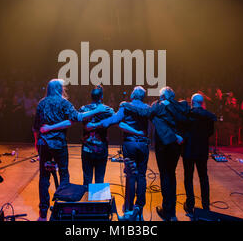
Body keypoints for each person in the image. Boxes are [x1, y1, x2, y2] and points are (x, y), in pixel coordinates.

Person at [32, 79, 108, 221]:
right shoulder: (63, 103)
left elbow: (36, 127)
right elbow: (76, 118)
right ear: (60, 89)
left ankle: (43, 214)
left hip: (44, 143)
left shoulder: (42, 103)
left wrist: (38, 141)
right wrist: (97, 110)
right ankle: (63, 210)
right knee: (64, 175)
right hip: (59, 144)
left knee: (44, 178)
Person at [120, 86, 186, 221]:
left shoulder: (158, 106)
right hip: (177, 145)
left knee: (165, 176)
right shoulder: (181, 106)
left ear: (162, 97)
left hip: (164, 146)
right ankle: (170, 212)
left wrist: (126, 104)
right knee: (171, 176)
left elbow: (144, 113)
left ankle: (167, 211)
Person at [87, 86, 150, 221]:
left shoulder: (126, 106)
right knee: (142, 176)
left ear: (133, 95)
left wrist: (97, 124)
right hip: (143, 145)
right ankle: (140, 210)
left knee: (131, 176)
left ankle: (129, 210)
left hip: (130, 144)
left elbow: (114, 120)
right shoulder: (147, 108)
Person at [174, 93, 217, 216]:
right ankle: (205, 205)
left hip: (188, 150)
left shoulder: (186, 115)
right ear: (202, 103)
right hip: (202, 150)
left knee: (188, 177)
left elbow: (181, 131)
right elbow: (210, 132)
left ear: (191, 102)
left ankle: (190, 204)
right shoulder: (208, 117)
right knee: (204, 177)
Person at [77, 86, 115, 186]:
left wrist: (92, 125)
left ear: (91, 97)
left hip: (87, 149)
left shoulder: (83, 109)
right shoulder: (108, 110)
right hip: (101, 149)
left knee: (87, 179)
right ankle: (97, 201)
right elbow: (115, 120)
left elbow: (77, 117)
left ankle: (86, 200)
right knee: (99, 179)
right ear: (101, 97)